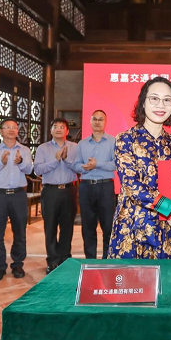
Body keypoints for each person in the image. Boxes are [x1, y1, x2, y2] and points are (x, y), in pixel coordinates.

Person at [108, 77, 171, 259]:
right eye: (154, 98)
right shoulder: (125, 139)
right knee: (132, 277)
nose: (161, 105)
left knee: (170, 276)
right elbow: (132, 187)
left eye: (167, 100)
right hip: (133, 226)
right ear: (143, 102)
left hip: (167, 228)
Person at [0, 118, 33, 282]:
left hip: (18, 194)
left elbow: (29, 169)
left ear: (18, 131)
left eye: (14, 127)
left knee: (20, 232)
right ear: (1, 131)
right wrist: (1, 163)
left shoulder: (24, 150)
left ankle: (18, 264)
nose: (11, 130)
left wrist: (20, 162)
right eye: (7, 127)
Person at [34, 118, 80, 274]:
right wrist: (56, 160)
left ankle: (65, 259)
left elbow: (79, 168)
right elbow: (37, 170)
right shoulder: (43, 148)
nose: (59, 129)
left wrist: (66, 160)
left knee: (67, 227)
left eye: (62, 127)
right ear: (51, 130)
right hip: (50, 191)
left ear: (67, 131)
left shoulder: (75, 147)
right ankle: (53, 260)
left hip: (69, 190)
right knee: (50, 226)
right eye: (55, 126)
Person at [72, 110, 117, 259]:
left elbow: (116, 164)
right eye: (95, 119)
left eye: (100, 119)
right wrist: (84, 167)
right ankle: (90, 260)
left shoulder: (113, 142)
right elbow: (75, 165)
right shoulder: (82, 144)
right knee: (88, 227)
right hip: (86, 187)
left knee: (108, 226)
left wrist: (98, 164)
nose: (97, 122)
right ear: (90, 122)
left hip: (105, 187)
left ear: (105, 122)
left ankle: (107, 260)